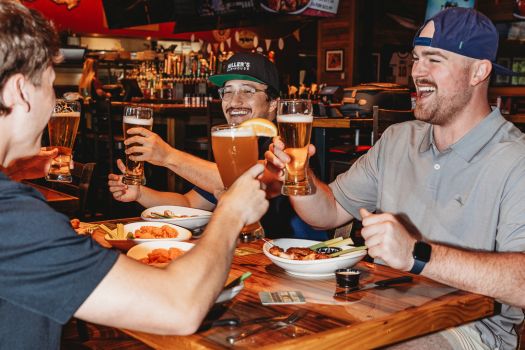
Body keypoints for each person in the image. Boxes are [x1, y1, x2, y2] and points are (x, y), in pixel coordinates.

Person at [0, 2, 268, 349]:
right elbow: (177, 306)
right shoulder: (15, 220)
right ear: (19, 92)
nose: (54, 105)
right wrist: (231, 212)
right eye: (50, 87)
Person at [266, 7, 525, 350]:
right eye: (416, 58)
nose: (417, 71)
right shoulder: (398, 139)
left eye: (434, 59)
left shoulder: (514, 158)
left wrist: (417, 254)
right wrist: (298, 172)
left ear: (479, 71)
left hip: (466, 328)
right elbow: (327, 213)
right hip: (377, 308)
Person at [108, 52, 328, 240]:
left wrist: (168, 156)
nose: (234, 101)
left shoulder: (289, 145)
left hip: (300, 258)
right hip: (255, 257)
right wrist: (139, 194)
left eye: (248, 91)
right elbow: (190, 203)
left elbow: (248, 183)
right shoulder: (232, 143)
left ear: (273, 103)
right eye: (227, 91)